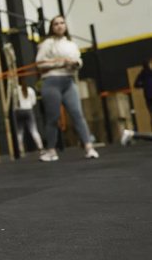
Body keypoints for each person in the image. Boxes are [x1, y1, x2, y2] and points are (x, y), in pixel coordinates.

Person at [35, 15, 99, 161]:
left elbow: (78, 61)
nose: (59, 26)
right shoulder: (47, 44)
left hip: (68, 82)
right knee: (53, 117)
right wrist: (60, 63)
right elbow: (39, 64)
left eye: (62, 23)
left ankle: (89, 147)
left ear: (65, 26)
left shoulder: (71, 44)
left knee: (77, 115)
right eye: (56, 24)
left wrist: (75, 64)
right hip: (51, 82)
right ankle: (51, 150)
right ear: (52, 27)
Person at [14, 79, 44, 155]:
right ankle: (41, 148)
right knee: (34, 130)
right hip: (28, 110)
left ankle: (20, 150)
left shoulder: (15, 90)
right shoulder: (30, 90)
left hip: (19, 111)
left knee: (19, 132)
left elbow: (14, 102)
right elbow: (34, 102)